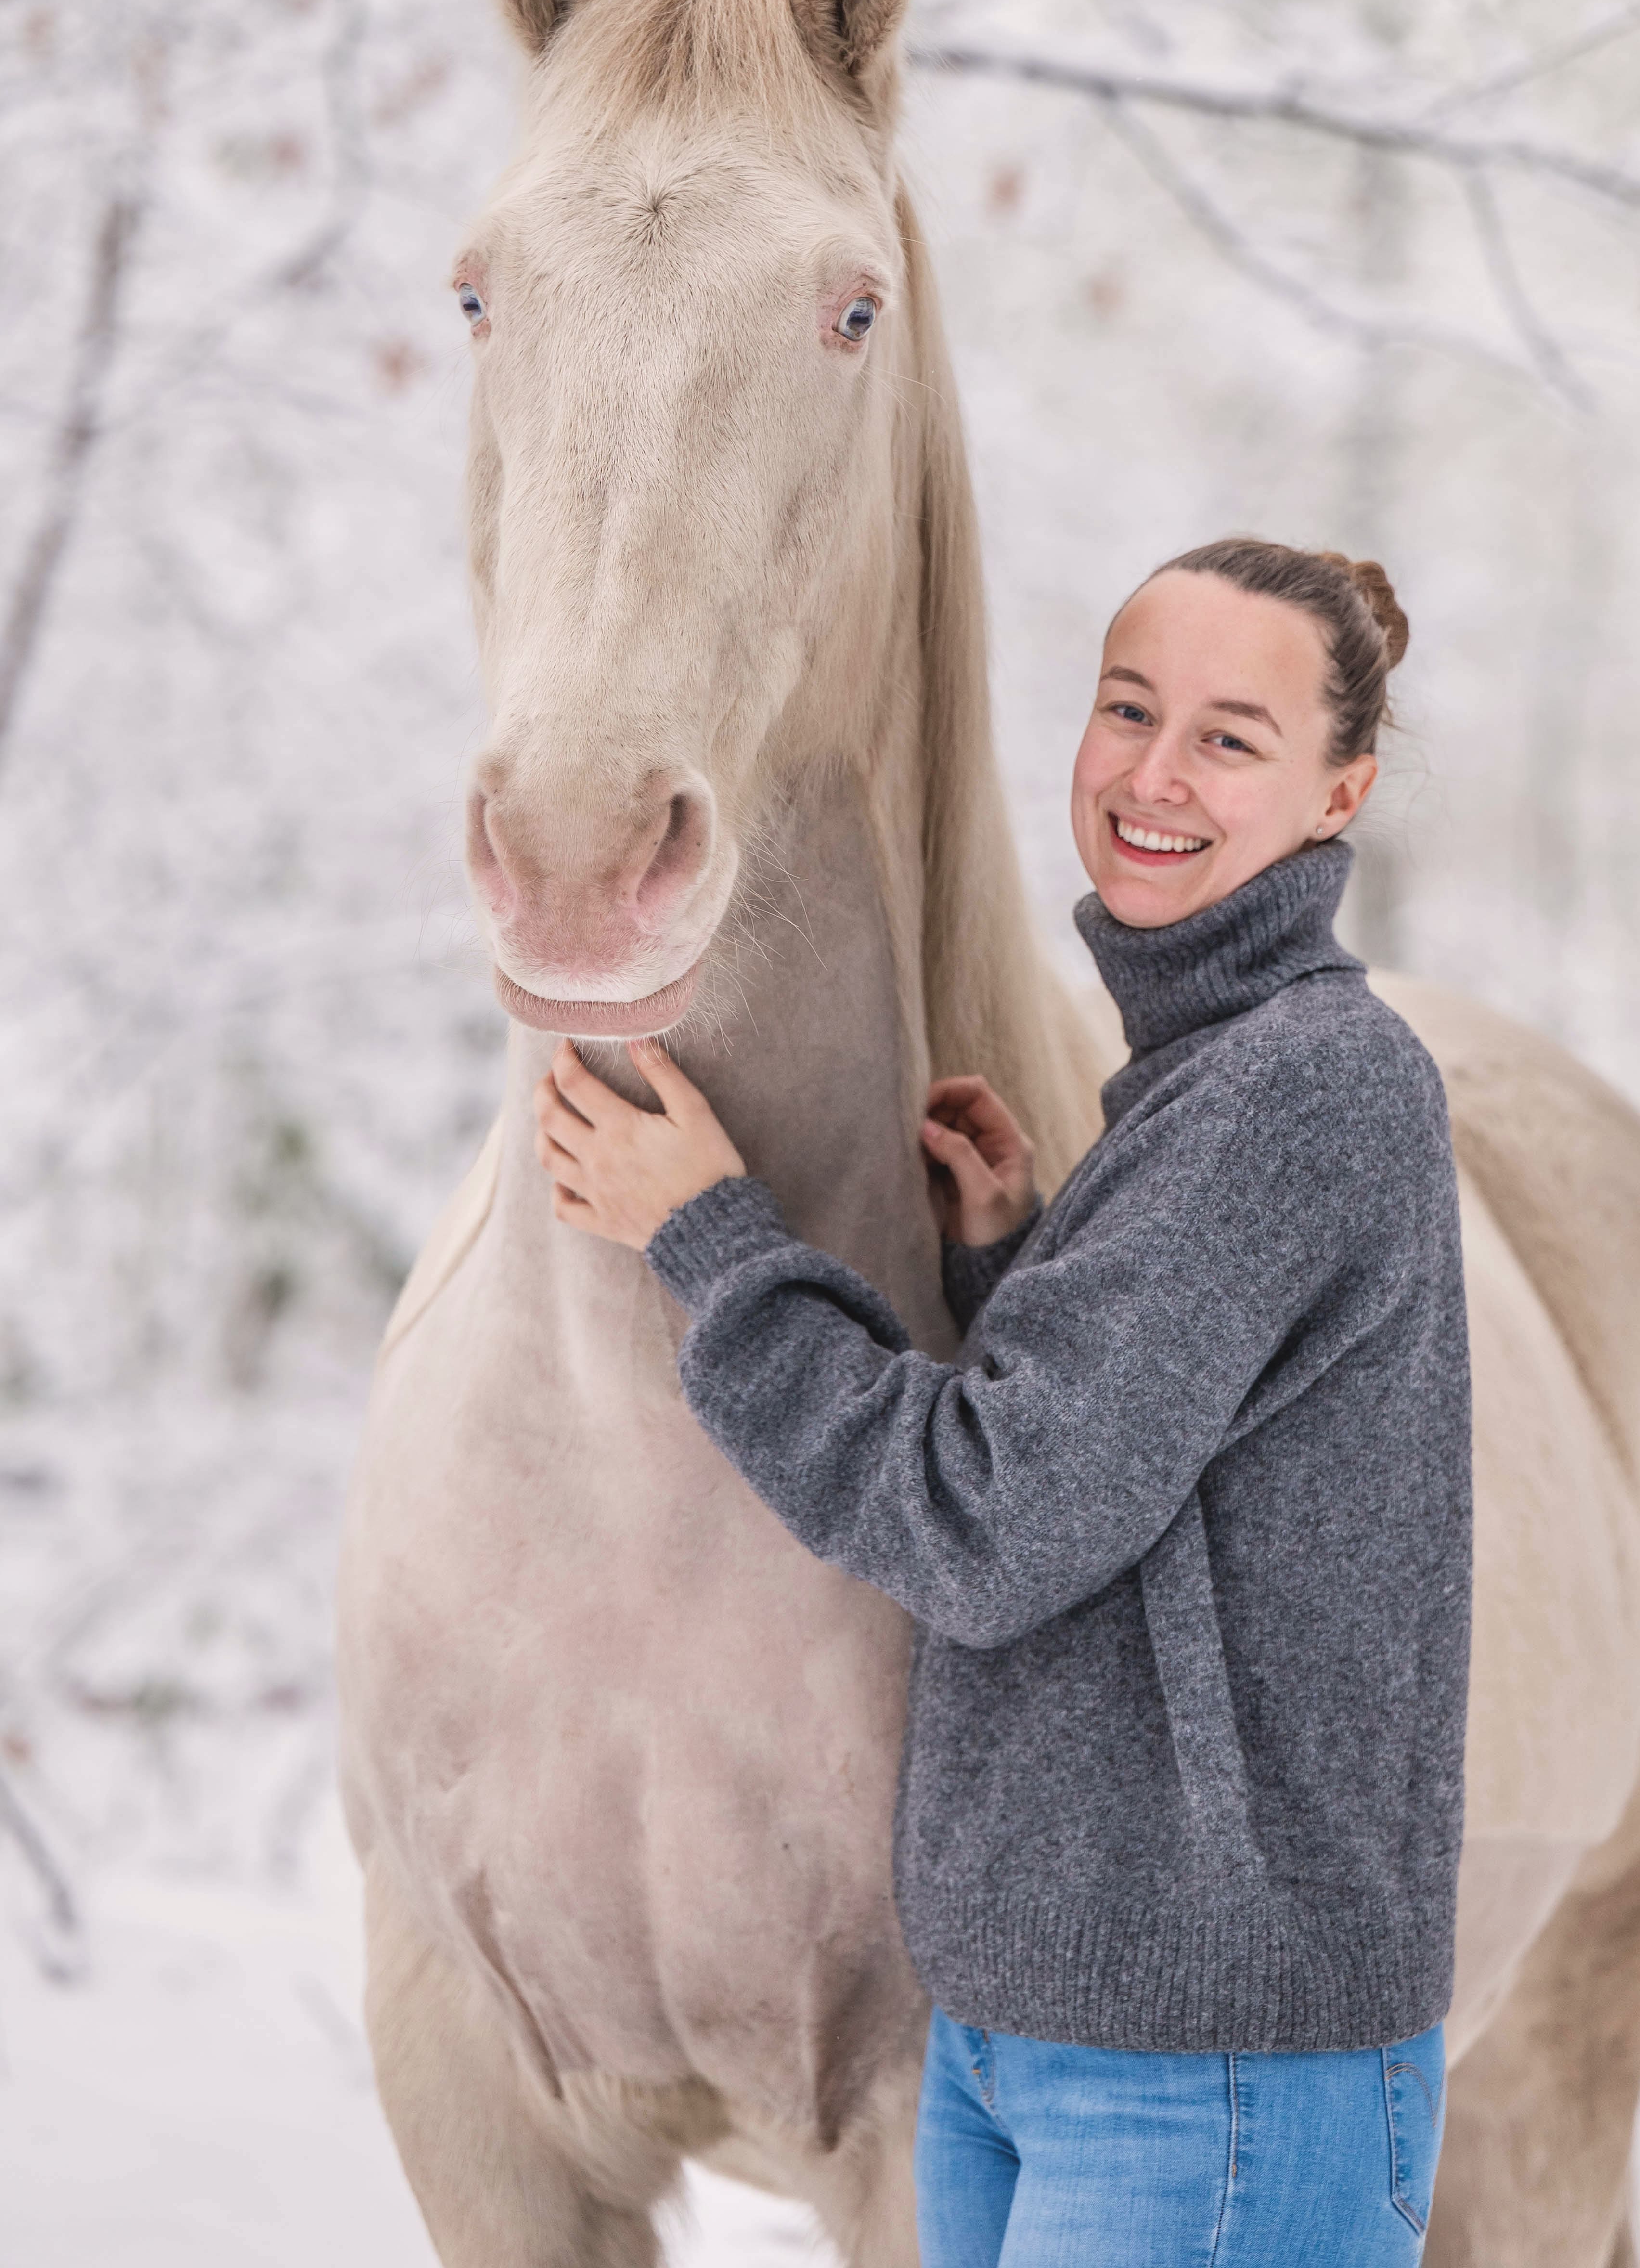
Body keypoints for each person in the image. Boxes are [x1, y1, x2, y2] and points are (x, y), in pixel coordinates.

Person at [532, 538, 1470, 2268]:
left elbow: (990, 1524)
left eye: (1230, 738)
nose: (1153, 775)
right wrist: (1019, 1268)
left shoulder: (1305, 1084)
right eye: (1129, 709)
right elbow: (1183, 1474)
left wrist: (713, 1242)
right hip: (1042, 2035)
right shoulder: (1210, 1080)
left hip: (1213, 2075)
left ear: (1339, 795)